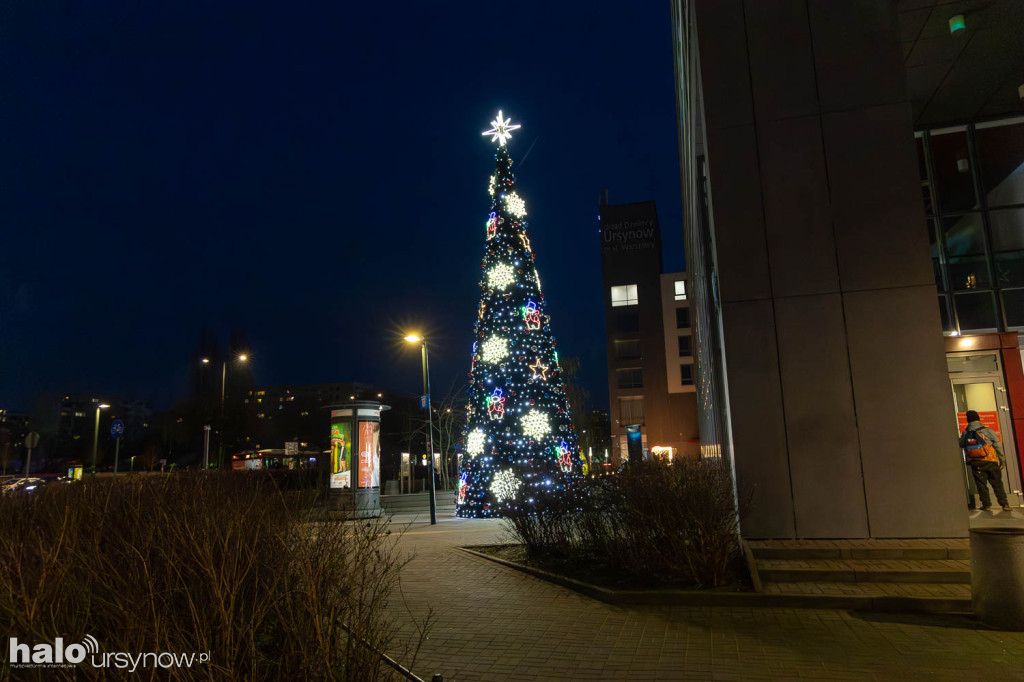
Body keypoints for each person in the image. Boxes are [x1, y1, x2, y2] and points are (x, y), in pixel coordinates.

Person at [959, 410, 1012, 512]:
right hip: (990, 460)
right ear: (978, 418)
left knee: (981, 484)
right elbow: (997, 445)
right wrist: (1002, 459)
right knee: (997, 483)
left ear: (968, 420)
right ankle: (1004, 504)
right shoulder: (988, 431)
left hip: (976, 462)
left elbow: (961, 444)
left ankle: (986, 505)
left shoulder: (965, 433)